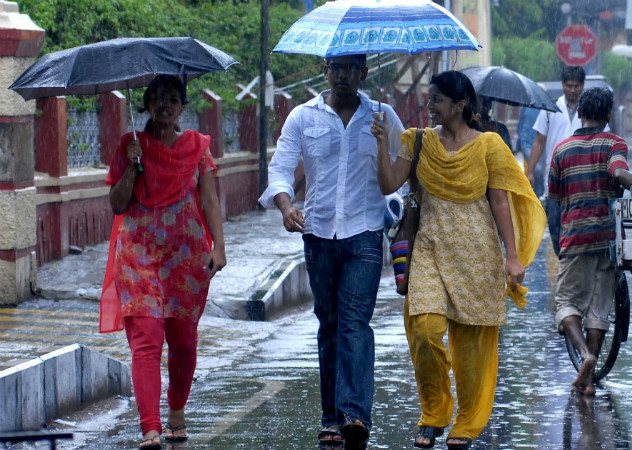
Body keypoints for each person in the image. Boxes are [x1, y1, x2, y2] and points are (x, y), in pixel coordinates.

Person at [371, 70, 545, 450]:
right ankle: (434, 412)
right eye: (428, 99)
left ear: (460, 106)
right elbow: (388, 184)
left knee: (472, 347)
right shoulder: (416, 141)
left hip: (477, 253)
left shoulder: (489, 146)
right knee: (425, 330)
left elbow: (500, 201)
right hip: (430, 246)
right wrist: (382, 144)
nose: (429, 106)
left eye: (436, 100)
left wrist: (511, 258)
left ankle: (466, 422)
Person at [258, 54, 404, 450]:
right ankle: (330, 417)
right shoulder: (302, 117)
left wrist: (397, 211)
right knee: (330, 323)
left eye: (351, 68)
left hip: (366, 233)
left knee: (355, 322)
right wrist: (287, 206)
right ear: (325, 71)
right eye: (335, 68)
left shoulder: (384, 117)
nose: (342, 76)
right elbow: (281, 168)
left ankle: (355, 414)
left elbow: (403, 174)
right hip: (318, 233)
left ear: (364, 73)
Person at [100, 74, 227, 450]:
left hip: (186, 260)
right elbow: (117, 204)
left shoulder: (197, 148)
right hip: (137, 258)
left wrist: (219, 247)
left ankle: (175, 409)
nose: (166, 106)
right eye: (159, 99)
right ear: (147, 105)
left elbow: (210, 200)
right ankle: (150, 428)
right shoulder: (130, 146)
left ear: (183, 107)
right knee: (147, 341)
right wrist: (131, 167)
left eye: (174, 99)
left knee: (183, 342)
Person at [549, 87, 632, 396]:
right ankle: (589, 377)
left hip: (576, 236)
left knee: (565, 303)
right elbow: (617, 171)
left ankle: (586, 356)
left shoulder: (561, 150)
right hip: (608, 239)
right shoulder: (615, 143)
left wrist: (560, 241)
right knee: (599, 308)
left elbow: (555, 201)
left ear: (580, 114)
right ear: (609, 115)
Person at [526, 65, 592, 254]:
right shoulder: (550, 109)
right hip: (554, 181)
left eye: (576, 86)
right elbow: (539, 141)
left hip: (582, 182)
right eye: (569, 85)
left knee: (579, 229)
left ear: (582, 85)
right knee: (555, 228)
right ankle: (563, 260)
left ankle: (573, 264)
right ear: (563, 85)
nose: (572, 90)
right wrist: (530, 171)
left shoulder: (590, 108)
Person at [516, 106, 544, 196]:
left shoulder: (545, 109)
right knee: (537, 169)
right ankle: (539, 194)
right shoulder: (526, 106)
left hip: (540, 142)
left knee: (541, 170)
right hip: (526, 142)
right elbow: (520, 123)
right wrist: (518, 138)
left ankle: (538, 195)